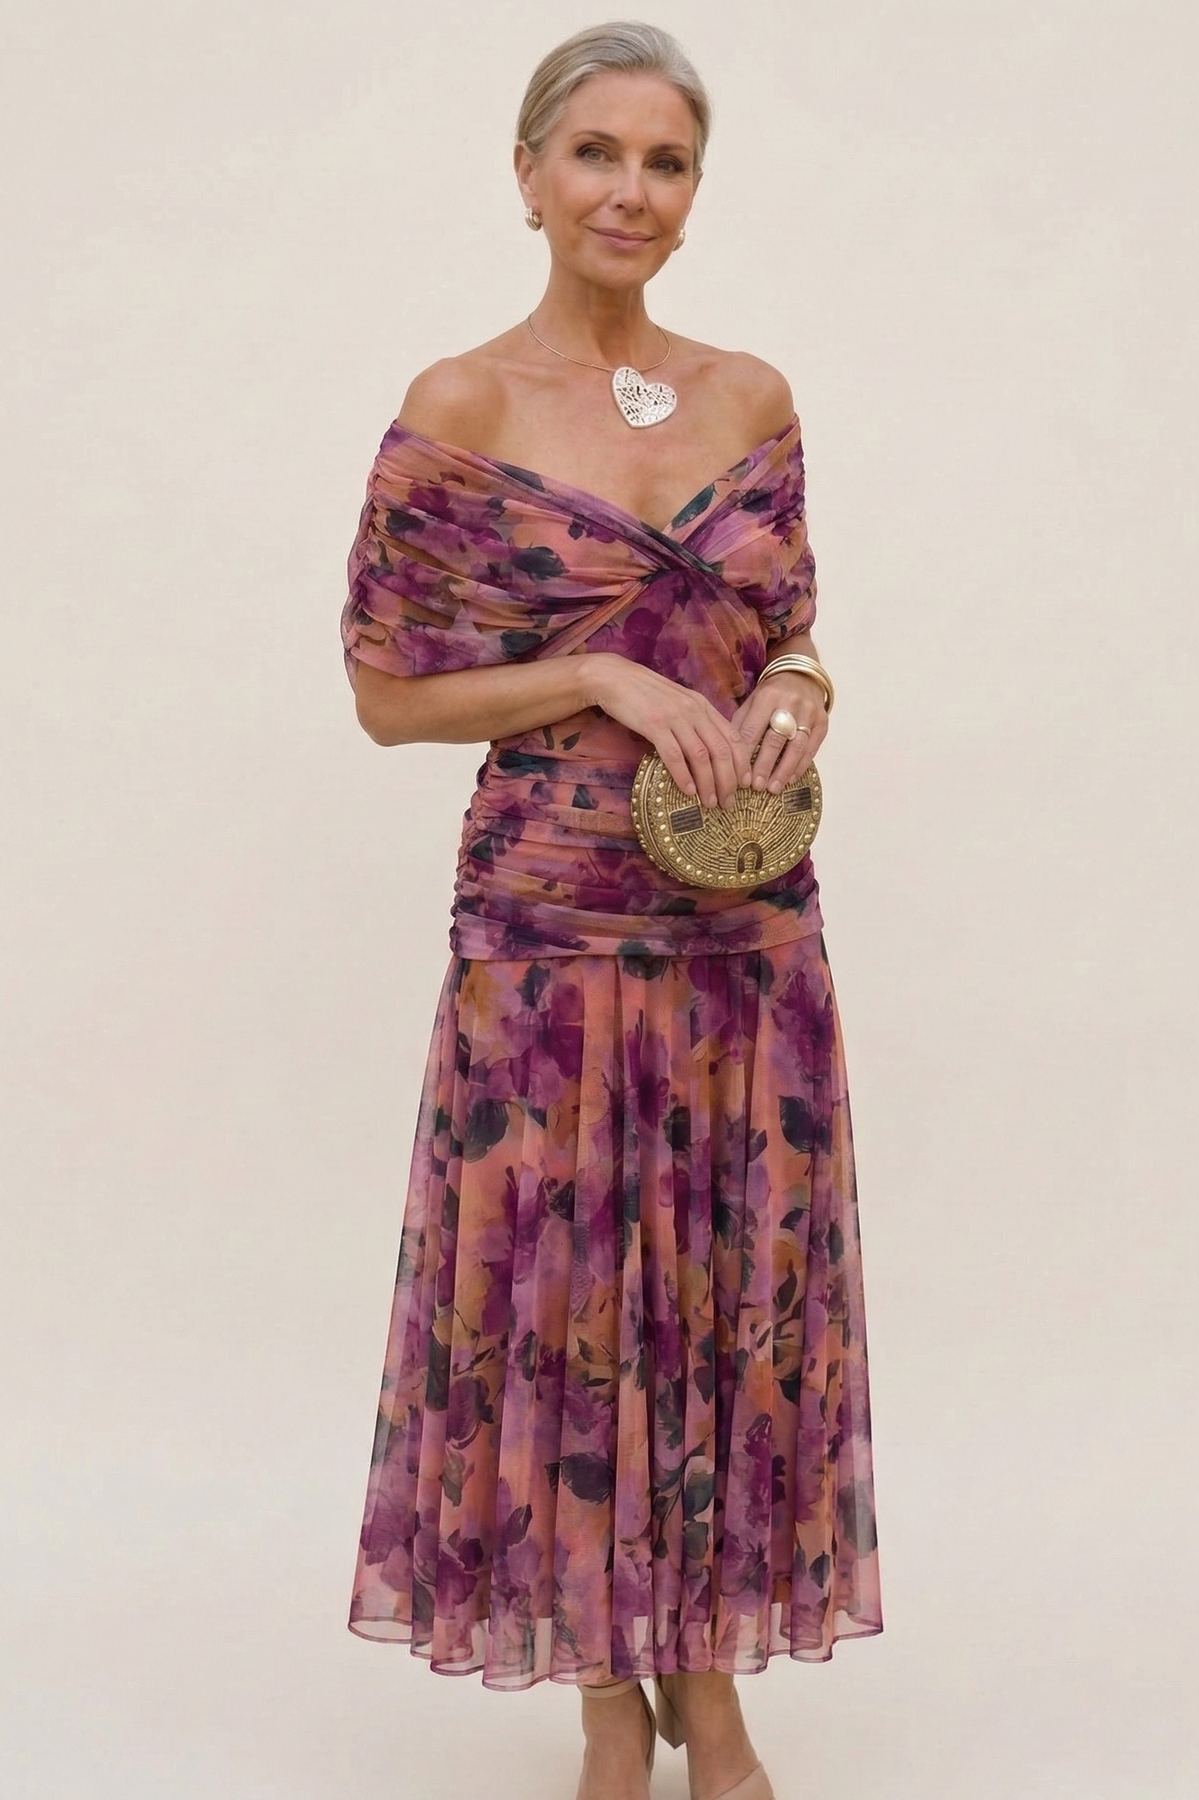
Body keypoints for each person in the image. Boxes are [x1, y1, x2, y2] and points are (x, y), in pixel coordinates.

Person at [339, 21, 882, 1800]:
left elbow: (787, 629)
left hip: (744, 916)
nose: (628, 192)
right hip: (548, 929)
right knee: (567, 1307)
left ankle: (707, 1691)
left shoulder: (748, 397)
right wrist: (593, 670)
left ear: (692, 194)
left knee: (733, 1298)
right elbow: (386, 697)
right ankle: (599, 1693)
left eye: (664, 162)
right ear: (527, 177)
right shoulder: (461, 406)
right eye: (594, 154)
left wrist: (793, 687)